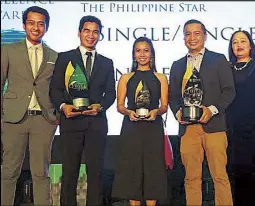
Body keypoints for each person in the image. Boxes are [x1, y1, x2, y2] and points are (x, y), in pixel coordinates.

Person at [49, 15, 116, 206]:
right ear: (79, 33)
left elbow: (110, 92)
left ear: (100, 35)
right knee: (69, 173)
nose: (91, 35)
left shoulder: (106, 62)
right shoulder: (64, 58)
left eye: (95, 32)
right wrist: (63, 106)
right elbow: (55, 89)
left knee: (96, 174)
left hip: (96, 124)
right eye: (87, 30)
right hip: (71, 122)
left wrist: (100, 106)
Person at [168, 19, 236, 206]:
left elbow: (229, 91)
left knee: (219, 177)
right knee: (191, 178)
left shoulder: (218, 59)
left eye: (197, 33)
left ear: (205, 36)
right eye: (188, 34)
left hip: (214, 126)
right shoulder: (177, 65)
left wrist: (211, 110)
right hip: (188, 130)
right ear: (183, 38)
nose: (192, 37)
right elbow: (172, 96)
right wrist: (177, 113)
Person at [1, 6, 58, 206]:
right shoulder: (8, 50)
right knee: (9, 171)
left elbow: (56, 90)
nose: (36, 27)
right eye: (31, 23)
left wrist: (55, 115)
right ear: (24, 25)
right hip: (13, 119)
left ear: (46, 27)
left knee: (41, 173)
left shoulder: (54, 55)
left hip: (43, 120)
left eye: (40, 23)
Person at [112, 37, 168, 206]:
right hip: (131, 129)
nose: (142, 54)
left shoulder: (161, 77)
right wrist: (128, 112)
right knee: (132, 170)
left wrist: (156, 111)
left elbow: (164, 106)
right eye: (138, 51)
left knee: (153, 169)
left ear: (151, 54)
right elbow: (120, 106)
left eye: (146, 50)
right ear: (133, 54)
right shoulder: (125, 78)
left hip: (153, 128)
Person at [226, 30, 255, 206]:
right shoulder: (227, 68)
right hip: (232, 129)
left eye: (243, 41)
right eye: (235, 42)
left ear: (250, 45)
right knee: (236, 175)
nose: (239, 45)